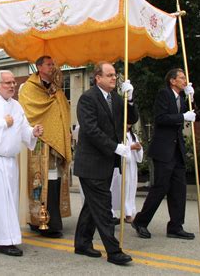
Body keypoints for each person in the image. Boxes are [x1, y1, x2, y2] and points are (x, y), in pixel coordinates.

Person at [0, 70, 43, 257]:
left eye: (13, 82)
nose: (12, 85)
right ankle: (4, 240)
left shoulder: (17, 106)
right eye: (7, 83)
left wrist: (32, 132)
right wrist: (2, 123)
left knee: (8, 198)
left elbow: (22, 128)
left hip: (10, 160)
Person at [73, 61, 137, 266]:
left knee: (92, 206)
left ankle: (82, 243)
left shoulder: (116, 99)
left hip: (107, 162)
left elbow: (132, 118)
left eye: (115, 75)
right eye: (109, 75)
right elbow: (91, 130)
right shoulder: (87, 99)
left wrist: (130, 98)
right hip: (91, 163)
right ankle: (114, 250)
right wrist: (114, 147)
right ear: (97, 78)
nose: (114, 78)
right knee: (103, 206)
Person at [132, 68, 196, 240]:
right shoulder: (164, 94)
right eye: (182, 78)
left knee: (179, 189)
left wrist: (191, 98)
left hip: (177, 151)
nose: (185, 81)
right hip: (163, 149)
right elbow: (161, 118)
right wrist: (183, 116)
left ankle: (176, 226)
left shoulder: (182, 98)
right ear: (172, 81)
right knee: (160, 188)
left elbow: (192, 114)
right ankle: (141, 221)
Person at [19, 55, 72, 238]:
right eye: (49, 64)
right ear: (39, 67)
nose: (52, 67)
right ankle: (39, 221)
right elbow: (28, 112)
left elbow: (64, 109)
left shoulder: (56, 89)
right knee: (39, 181)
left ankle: (53, 221)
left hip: (56, 144)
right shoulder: (29, 88)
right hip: (39, 142)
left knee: (54, 179)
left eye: (53, 64)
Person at [110, 124, 143, 223]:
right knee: (122, 190)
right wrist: (130, 148)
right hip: (122, 166)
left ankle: (129, 213)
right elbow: (119, 150)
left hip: (132, 167)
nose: (129, 124)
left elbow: (139, 156)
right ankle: (115, 214)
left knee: (131, 190)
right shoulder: (118, 135)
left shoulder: (133, 136)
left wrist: (138, 149)